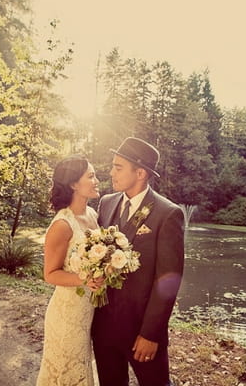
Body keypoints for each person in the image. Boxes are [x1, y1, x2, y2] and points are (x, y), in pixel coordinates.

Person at [91, 137, 185, 386]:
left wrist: (150, 334)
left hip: (141, 332)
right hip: (103, 328)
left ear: (140, 173)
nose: (111, 172)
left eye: (118, 167)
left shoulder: (168, 214)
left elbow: (169, 282)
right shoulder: (106, 203)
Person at [36, 155, 104, 386]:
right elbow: (50, 274)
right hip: (67, 315)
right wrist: (85, 279)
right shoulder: (62, 225)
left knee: (84, 368)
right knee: (68, 374)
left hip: (90, 311)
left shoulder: (93, 215)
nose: (97, 180)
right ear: (74, 184)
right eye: (91, 176)